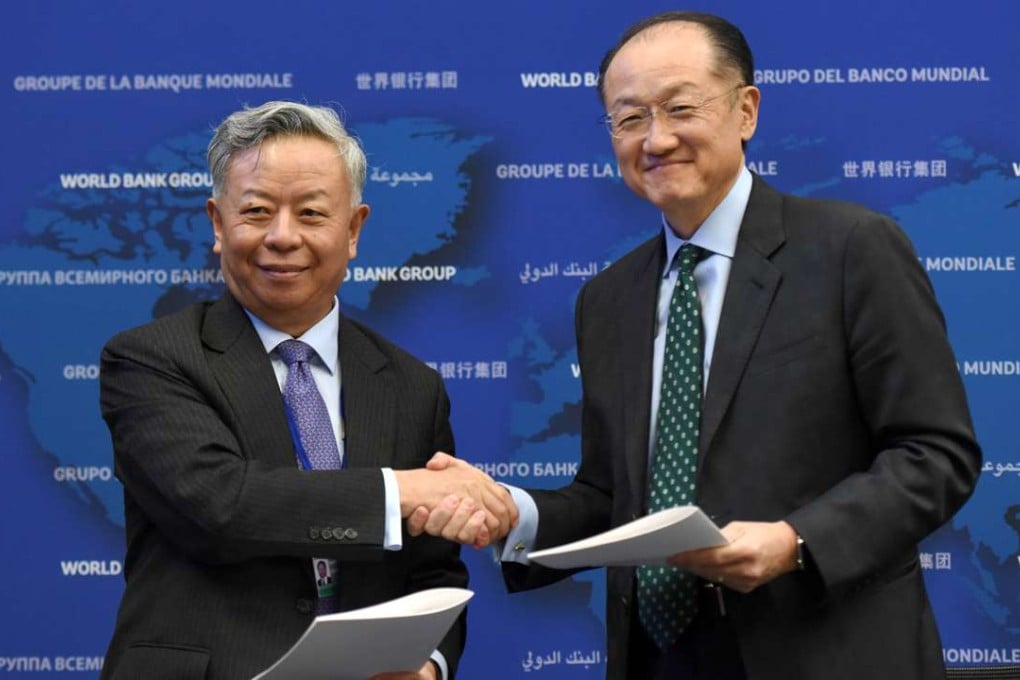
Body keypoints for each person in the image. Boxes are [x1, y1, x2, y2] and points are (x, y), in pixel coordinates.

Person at [415, 11, 982, 680]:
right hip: (660, 659)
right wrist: (515, 511)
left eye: (680, 107)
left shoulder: (851, 250)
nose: (656, 139)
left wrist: (795, 541)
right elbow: (613, 496)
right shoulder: (608, 299)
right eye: (629, 119)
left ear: (746, 110)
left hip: (822, 648)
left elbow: (936, 454)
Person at [98, 101, 515, 680]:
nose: (283, 237)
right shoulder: (152, 359)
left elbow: (433, 577)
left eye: (312, 213)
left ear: (353, 230)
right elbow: (219, 505)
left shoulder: (412, 386)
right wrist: (401, 493)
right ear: (218, 224)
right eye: (258, 211)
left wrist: (428, 666)